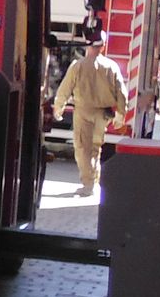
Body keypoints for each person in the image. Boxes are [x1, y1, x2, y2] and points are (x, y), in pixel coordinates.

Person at [52, 34, 127, 196]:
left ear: (88, 46)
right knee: (95, 148)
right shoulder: (111, 67)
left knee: (81, 149)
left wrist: (59, 107)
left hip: (83, 111)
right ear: (103, 46)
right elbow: (121, 92)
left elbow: (65, 89)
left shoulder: (77, 66)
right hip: (103, 114)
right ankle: (93, 182)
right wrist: (121, 114)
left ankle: (88, 184)